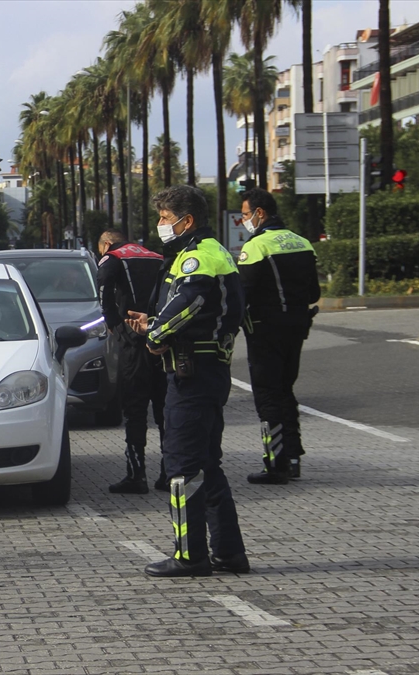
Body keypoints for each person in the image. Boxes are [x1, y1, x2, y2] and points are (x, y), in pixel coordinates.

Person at [124, 185, 249, 577]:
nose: (161, 225)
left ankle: (189, 554)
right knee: (207, 465)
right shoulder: (211, 253)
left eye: (165, 218)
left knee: (181, 468)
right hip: (204, 372)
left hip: (192, 375)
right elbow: (197, 312)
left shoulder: (198, 258)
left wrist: (155, 336)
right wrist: (156, 323)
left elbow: (191, 302)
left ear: (186, 220)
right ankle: (228, 552)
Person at [237, 189, 320, 485]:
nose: (244, 221)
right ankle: (293, 457)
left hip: (264, 329)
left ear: (260, 214)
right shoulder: (302, 242)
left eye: (245, 215)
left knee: (268, 394)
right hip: (297, 328)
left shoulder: (257, 246)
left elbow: (241, 295)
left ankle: (276, 464)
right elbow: (314, 293)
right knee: (286, 390)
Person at [95, 230, 167, 494]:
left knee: (135, 410)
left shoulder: (112, 257)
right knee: (163, 409)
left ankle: (136, 476)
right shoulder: (156, 256)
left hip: (133, 342)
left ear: (106, 244)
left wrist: (112, 321)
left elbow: (103, 285)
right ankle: (169, 473)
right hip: (159, 338)